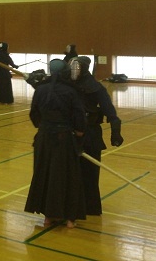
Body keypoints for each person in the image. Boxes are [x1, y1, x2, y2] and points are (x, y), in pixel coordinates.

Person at [24, 59, 87, 229]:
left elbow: (34, 114)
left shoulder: (41, 90)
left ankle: (48, 217)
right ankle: (70, 218)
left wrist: (45, 126)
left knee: (46, 175)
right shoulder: (71, 91)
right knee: (68, 177)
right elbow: (79, 118)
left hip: (44, 139)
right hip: (64, 139)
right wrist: (78, 133)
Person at [69, 56, 124, 216]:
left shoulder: (96, 88)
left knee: (89, 174)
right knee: (71, 173)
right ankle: (72, 206)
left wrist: (115, 132)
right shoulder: (67, 85)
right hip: (70, 135)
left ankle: (90, 207)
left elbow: (111, 113)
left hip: (90, 135)